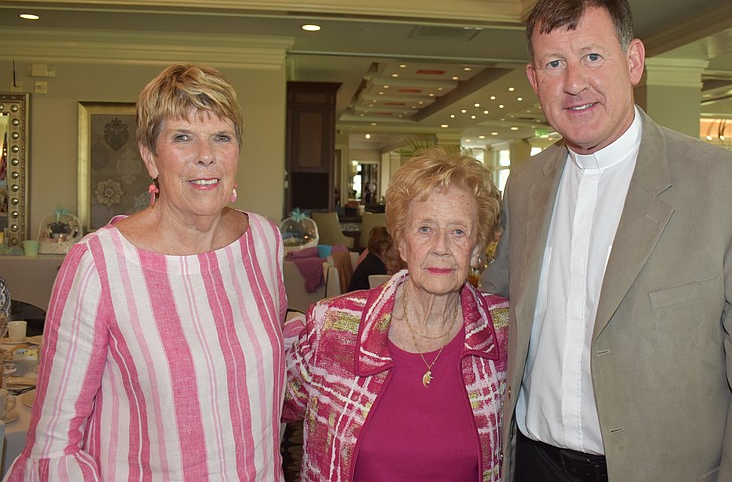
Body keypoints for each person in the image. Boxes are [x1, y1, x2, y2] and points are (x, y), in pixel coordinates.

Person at [480, 0, 732, 481]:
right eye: (553, 63)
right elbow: (496, 313)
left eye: (592, 56)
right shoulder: (524, 184)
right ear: (533, 78)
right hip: (534, 463)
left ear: (633, 61)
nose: (573, 83)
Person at [5, 64, 287, 480]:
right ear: (149, 156)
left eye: (221, 137)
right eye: (182, 137)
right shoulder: (99, 264)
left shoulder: (263, 241)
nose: (206, 154)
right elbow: (55, 440)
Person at [283, 146, 508, 482]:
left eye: (458, 231)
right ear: (402, 243)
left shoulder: (503, 331)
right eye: (425, 229)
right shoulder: (334, 327)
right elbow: (261, 407)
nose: (441, 247)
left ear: (476, 249)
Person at [347, 226, 400, 292]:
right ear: (384, 248)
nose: (399, 248)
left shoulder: (372, 261)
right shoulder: (376, 267)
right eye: (396, 245)